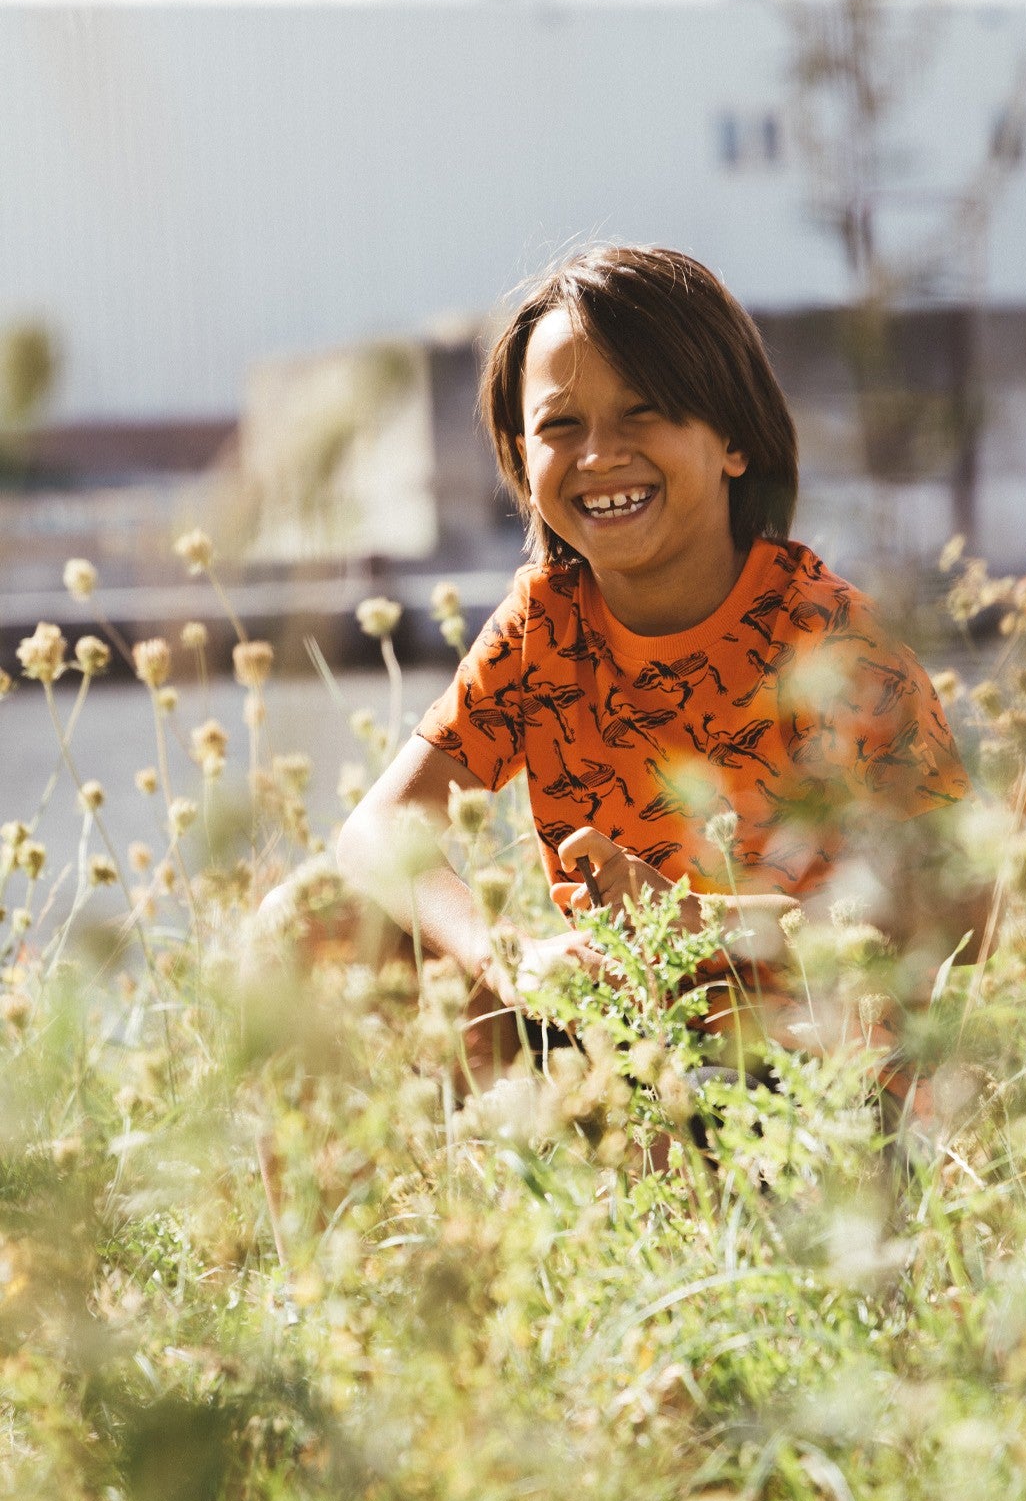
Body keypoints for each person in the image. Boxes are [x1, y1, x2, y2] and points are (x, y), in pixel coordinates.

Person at [337, 245, 987, 1088]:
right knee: (308, 927)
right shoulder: (544, 625)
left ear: (734, 441)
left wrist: (703, 925)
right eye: (560, 427)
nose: (599, 454)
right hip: (616, 1041)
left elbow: (968, 910)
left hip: (807, 1077)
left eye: (644, 413)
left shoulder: (832, 637)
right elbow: (377, 831)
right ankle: (382, 1178)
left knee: (697, 1076)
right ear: (522, 459)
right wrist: (508, 956)